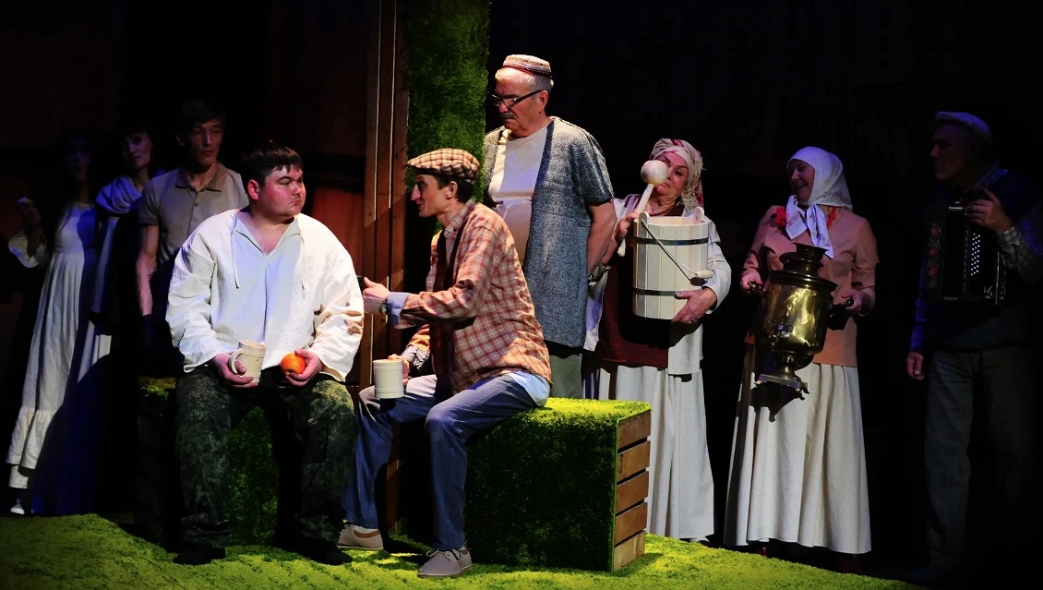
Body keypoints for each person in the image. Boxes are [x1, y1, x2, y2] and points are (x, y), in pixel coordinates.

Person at [340, 148, 551, 579]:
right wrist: (410, 358)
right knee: (374, 400)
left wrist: (391, 301)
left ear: (451, 190)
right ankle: (362, 525)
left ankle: (453, 548)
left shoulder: (483, 226)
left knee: (443, 419)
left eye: (422, 187)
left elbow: (464, 301)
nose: (415, 196)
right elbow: (437, 312)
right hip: (462, 376)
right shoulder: (443, 239)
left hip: (513, 371)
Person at [165, 141, 362, 566]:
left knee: (335, 407)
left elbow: (344, 311)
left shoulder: (320, 240)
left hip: (293, 365)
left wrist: (320, 356)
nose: (298, 190)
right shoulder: (213, 235)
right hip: (225, 360)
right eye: (285, 181)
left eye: (300, 180)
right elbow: (185, 307)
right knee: (196, 404)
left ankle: (316, 533)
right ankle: (204, 534)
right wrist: (215, 356)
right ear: (254, 188)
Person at [724, 147, 878, 570]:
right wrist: (750, 278)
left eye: (802, 170)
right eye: (790, 170)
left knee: (825, 444)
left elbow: (867, 287)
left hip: (828, 349)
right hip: (770, 343)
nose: (793, 177)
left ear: (825, 175)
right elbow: (752, 264)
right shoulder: (776, 217)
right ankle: (763, 530)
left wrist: (858, 300)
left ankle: (836, 538)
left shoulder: (855, 227)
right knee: (774, 440)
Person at [905, 112, 1042, 585]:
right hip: (949, 343)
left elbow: (1036, 270)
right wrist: (919, 337)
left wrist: (1004, 226)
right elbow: (928, 274)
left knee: (1014, 456)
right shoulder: (940, 200)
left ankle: (1012, 559)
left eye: (944, 145)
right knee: (943, 456)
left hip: (1007, 343)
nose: (933, 154)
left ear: (974, 151)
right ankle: (945, 558)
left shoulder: (1019, 191)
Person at [585, 139, 731, 542]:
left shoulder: (695, 220)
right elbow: (589, 267)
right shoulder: (618, 209)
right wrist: (616, 237)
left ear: (688, 182)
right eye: (663, 165)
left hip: (664, 350)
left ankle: (662, 526)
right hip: (615, 342)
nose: (668, 176)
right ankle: (609, 526)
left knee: (661, 438)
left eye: (679, 171)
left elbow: (720, 269)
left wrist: (708, 295)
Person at [482, 54, 616, 399]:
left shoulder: (572, 142)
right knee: (496, 392)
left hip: (552, 298)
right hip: (499, 295)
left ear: (541, 98)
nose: (503, 107)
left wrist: (577, 275)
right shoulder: (491, 144)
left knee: (555, 397)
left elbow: (605, 216)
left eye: (512, 99)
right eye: (498, 97)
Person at [5, 129, 102, 515]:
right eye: (71, 153)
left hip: (93, 302)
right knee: (50, 382)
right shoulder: (55, 206)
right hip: (59, 305)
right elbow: (36, 257)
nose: (78, 160)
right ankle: (32, 488)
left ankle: (72, 488)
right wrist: (32, 225)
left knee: (80, 390)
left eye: (85, 152)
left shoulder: (110, 203)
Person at [137, 99, 247, 375]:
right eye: (199, 132)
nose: (208, 141)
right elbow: (147, 258)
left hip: (219, 323)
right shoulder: (158, 188)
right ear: (182, 138)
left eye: (215, 131)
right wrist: (146, 319)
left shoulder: (239, 188)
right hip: (166, 315)